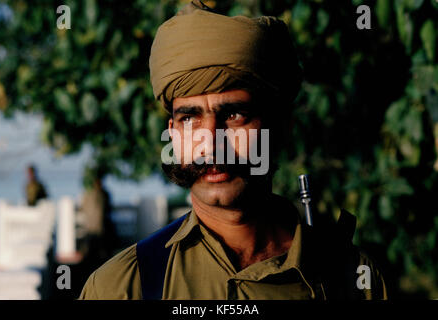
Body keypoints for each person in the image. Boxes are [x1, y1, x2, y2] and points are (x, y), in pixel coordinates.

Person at [79, 1, 387, 300]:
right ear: (173, 136)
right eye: (190, 119)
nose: (211, 143)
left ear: (278, 128)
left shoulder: (353, 279)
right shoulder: (122, 287)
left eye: (234, 116)